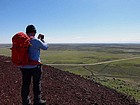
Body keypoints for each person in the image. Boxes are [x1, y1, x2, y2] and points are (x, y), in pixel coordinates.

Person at [20, 25, 48, 105]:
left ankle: (25, 102)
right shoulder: (36, 41)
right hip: (35, 67)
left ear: (26, 32)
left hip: (24, 66)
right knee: (36, 83)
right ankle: (37, 101)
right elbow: (45, 47)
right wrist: (42, 40)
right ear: (35, 32)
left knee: (25, 84)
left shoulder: (23, 40)